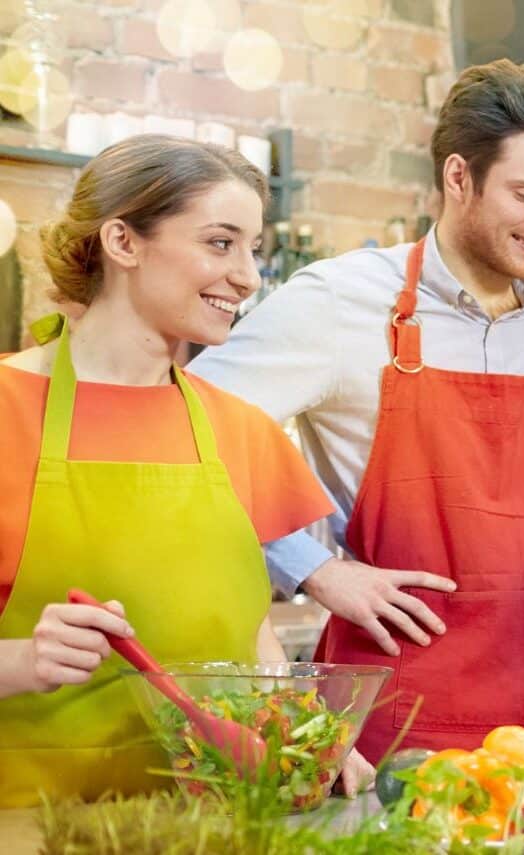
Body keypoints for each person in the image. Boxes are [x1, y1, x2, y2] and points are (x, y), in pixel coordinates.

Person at [189, 60, 524, 761]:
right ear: (458, 178)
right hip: (386, 716)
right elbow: (189, 427)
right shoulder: (337, 303)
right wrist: (312, 568)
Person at [0, 135, 365, 805]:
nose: (249, 276)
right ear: (123, 242)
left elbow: (253, 636)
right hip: (32, 823)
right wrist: (21, 660)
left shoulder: (241, 429)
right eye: (221, 243)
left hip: (217, 821)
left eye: (254, 249)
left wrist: (300, 741)